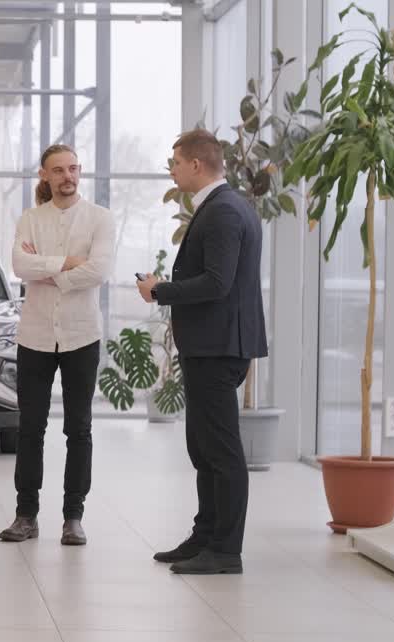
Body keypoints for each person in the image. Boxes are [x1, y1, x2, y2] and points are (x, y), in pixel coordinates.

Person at [136, 129, 267, 575]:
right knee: (203, 446)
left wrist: (160, 291)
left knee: (221, 450)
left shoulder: (224, 211)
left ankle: (225, 549)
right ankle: (205, 535)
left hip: (217, 345)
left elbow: (217, 282)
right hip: (212, 344)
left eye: (175, 161)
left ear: (196, 164)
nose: (171, 169)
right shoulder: (222, 207)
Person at [0, 144, 115, 547]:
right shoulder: (30, 219)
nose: (68, 176)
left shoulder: (100, 219)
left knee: (78, 428)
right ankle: (25, 515)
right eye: (59, 170)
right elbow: (18, 265)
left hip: (82, 334)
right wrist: (67, 262)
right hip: (34, 336)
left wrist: (48, 268)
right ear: (44, 176)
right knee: (29, 428)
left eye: (73, 168)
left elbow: (99, 270)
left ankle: (73, 517)